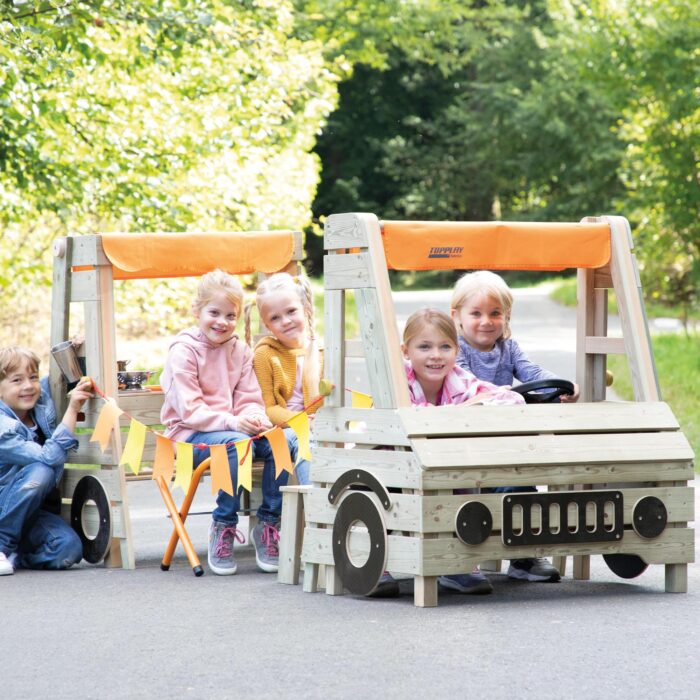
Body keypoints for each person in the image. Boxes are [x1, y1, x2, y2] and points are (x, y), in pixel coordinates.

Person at [160, 269, 297, 576]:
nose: (222, 322)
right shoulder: (183, 352)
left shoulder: (240, 350)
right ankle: (224, 524)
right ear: (196, 311)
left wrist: (255, 418)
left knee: (284, 440)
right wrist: (234, 423)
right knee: (233, 445)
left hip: (232, 431)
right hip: (190, 437)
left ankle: (268, 524)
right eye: (214, 313)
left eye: (230, 315)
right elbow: (190, 411)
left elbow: (249, 397)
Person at [451, 270, 579, 583]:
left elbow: (531, 372)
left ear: (506, 316)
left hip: (507, 437)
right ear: (458, 317)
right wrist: (502, 395)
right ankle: (465, 560)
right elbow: (469, 384)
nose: (486, 321)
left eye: (495, 314)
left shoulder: (508, 348)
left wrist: (561, 386)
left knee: (522, 487)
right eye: (476, 314)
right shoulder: (455, 348)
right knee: (490, 491)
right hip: (468, 436)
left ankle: (525, 558)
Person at [400, 308, 526, 596]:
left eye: (445, 347)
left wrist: (474, 408)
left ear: (456, 351)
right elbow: (411, 418)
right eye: (425, 347)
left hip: (448, 467)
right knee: (437, 480)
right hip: (400, 466)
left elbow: (513, 399)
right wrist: (460, 412)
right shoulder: (400, 382)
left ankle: (458, 562)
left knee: (465, 478)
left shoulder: (459, 379)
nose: (436, 355)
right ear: (406, 351)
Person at [0, 346, 92, 576]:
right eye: (17, 380)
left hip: (31, 513)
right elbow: (48, 457)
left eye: (32, 378)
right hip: (5, 506)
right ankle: (1, 545)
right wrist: (72, 410)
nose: (28, 386)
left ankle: (14, 555)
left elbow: (58, 379)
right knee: (41, 471)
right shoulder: (3, 427)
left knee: (68, 550)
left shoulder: (40, 405)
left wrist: (75, 349)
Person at [247, 272, 323, 486]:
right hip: (277, 431)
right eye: (275, 318)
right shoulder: (265, 355)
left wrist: (321, 420)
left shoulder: (320, 351)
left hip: (315, 427)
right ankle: (315, 509)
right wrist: (302, 422)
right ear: (266, 325)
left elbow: (328, 399)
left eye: (291, 311)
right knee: (306, 441)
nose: (286, 321)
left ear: (305, 309)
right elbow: (268, 409)